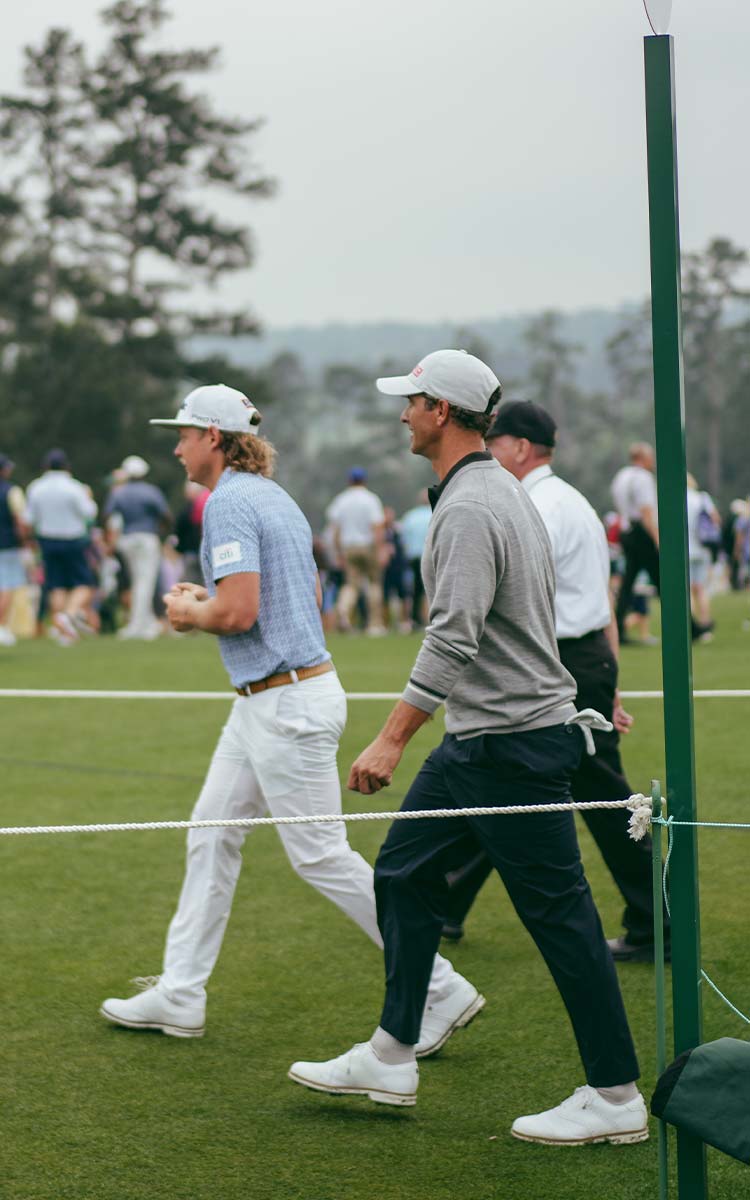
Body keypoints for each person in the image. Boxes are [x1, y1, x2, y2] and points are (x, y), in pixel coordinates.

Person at [289, 351, 646, 1146]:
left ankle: (617, 1097)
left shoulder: (472, 507)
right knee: (405, 872)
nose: (403, 414)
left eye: (411, 402)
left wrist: (388, 740)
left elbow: (452, 638)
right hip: (485, 743)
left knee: (561, 920)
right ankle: (392, 1051)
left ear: (441, 412)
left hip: (511, 746)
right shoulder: (493, 491)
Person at [100, 383, 476, 1050]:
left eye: (185, 433)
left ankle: (440, 990)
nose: (177, 445)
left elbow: (239, 612)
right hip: (269, 698)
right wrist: (206, 604)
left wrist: (190, 612)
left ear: (214, 438)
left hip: (284, 702)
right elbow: (262, 603)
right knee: (211, 834)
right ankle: (181, 996)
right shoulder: (268, 496)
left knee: (322, 857)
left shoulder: (230, 503)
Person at [438, 401, 669, 962]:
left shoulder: (530, 503)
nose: (486, 455)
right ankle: (446, 898)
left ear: (519, 448)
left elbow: (522, 601)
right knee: (520, 781)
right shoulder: (574, 502)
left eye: (495, 444)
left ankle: (658, 922)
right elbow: (604, 599)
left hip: (553, 661)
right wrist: (606, 677)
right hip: (582, 658)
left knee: (583, 790)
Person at [26, 448, 98, 645]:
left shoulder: (36, 487)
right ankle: (68, 615)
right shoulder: (74, 487)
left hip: (47, 540)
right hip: (72, 540)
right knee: (83, 584)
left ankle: (63, 631)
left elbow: (29, 518)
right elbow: (89, 512)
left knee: (56, 585)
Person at [104, 454, 172, 640]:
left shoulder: (119, 492)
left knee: (137, 581)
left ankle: (145, 622)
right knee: (145, 582)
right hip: (147, 538)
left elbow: (107, 514)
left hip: (127, 539)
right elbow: (166, 515)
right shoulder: (151, 491)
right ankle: (139, 625)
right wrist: (161, 531)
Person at [326, 467, 387, 635]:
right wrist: (380, 549)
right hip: (368, 545)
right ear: (364, 480)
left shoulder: (341, 500)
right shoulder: (371, 499)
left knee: (351, 585)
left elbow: (335, 530)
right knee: (374, 583)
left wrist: (338, 552)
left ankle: (343, 612)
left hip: (348, 546)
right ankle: (375, 624)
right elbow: (377, 526)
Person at [611, 443, 660, 641]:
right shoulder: (643, 478)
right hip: (641, 532)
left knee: (627, 584)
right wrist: (657, 539)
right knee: (663, 580)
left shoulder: (621, 476)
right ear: (643, 458)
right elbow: (646, 511)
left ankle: (619, 628)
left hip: (627, 531)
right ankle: (687, 625)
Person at [686, 474, 719, 641]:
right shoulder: (702, 498)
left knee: (687, 590)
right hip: (702, 547)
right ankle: (705, 624)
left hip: (685, 549)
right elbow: (715, 519)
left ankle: (690, 626)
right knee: (700, 589)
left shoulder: (677, 499)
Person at [0, 454, 29, 646]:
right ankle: (1, 626)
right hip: (7, 545)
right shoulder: (11, 491)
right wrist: (26, 541)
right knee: (5, 586)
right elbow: (20, 521)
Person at [399, 489, 432, 628]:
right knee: (433, 588)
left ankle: (415, 618)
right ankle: (432, 619)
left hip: (414, 557)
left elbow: (403, 539)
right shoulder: (435, 512)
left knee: (417, 590)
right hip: (431, 555)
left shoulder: (410, 516)